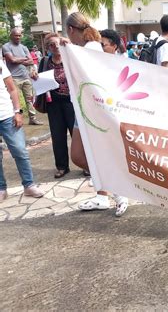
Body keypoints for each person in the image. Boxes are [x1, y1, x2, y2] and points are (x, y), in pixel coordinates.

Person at [65, 12, 129, 217]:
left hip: (93, 110)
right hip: (83, 108)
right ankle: (104, 195)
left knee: (84, 155)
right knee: (82, 156)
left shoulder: (91, 48)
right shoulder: (82, 48)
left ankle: (118, 192)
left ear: (71, 30)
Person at [0, 57, 45, 202]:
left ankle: (29, 184)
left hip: (6, 114)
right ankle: (1, 188)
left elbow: (12, 89)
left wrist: (17, 111)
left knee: (20, 150)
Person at [38, 33, 75, 179]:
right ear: (47, 47)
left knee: (77, 134)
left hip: (71, 102)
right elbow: (40, 80)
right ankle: (62, 167)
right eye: (52, 45)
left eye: (57, 43)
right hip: (53, 103)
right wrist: (35, 77)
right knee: (58, 136)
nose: (56, 47)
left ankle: (85, 165)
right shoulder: (45, 61)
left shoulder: (70, 59)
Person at [2, 28, 43, 125]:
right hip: (13, 78)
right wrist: (24, 59)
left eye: (19, 35)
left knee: (29, 99)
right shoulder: (6, 46)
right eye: (16, 35)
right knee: (16, 100)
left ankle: (32, 118)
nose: (18, 37)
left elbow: (31, 61)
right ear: (11, 35)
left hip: (26, 76)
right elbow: (12, 60)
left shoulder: (24, 47)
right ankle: (17, 118)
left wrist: (18, 59)